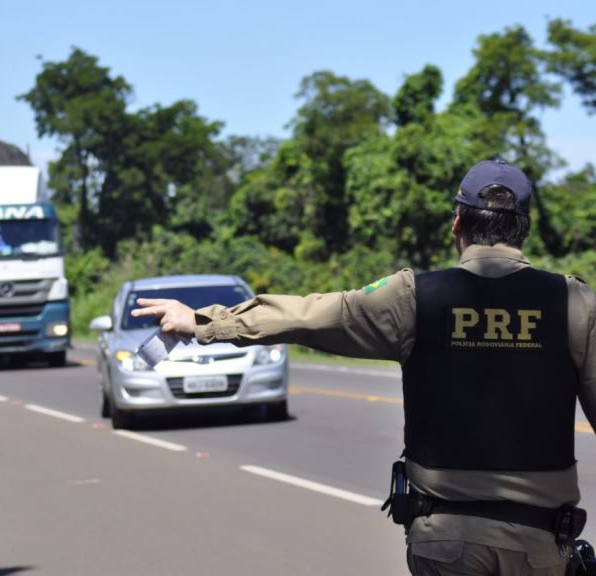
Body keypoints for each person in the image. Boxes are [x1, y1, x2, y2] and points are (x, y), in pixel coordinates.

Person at [132, 159, 596, 576]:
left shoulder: (414, 297)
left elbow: (311, 314)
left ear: (457, 223)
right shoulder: (575, 304)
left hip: (446, 542)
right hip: (542, 545)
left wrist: (202, 321)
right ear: (525, 229)